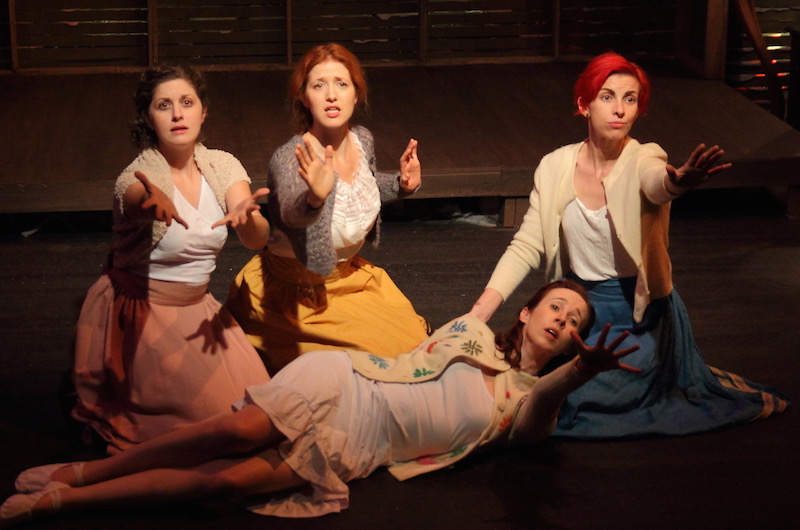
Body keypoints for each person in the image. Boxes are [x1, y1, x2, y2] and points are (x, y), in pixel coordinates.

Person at [1, 280, 640, 525]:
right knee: (231, 433)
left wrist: (579, 375)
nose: (562, 317)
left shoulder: (522, 407)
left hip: (358, 445)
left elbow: (536, 423)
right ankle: (84, 472)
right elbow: (434, 338)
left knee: (222, 483)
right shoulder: (471, 331)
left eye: (575, 318)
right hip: (347, 382)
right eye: (555, 305)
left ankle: (65, 503)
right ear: (527, 311)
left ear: (571, 344)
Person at [468, 52, 790, 439]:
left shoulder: (644, 157)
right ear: (584, 104)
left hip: (635, 319)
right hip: (576, 310)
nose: (619, 109)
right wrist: (478, 312)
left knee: (578, 399)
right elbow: (526, 244)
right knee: (511, 374)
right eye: (607, 97)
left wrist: (679, 182)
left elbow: (658, 183)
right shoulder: (554, 166)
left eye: (630, 99)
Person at [70, 65, 272, 453]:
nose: (178, 114)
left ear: (203, 111)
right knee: (203, 431)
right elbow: (134, 199)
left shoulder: (222, 165)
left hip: (199, 313)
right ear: (148, 117)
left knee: (254, 413)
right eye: (164, 105)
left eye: (186, 102)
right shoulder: (140, 174)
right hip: (144, 316)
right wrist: (149, 204)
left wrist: (250, 217)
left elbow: (254, 238)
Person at [224, 43, 430, 374]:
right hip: (296, 296)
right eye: (319, 85)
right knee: (376, 368)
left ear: (356, 95)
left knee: (416, 350)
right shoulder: (292, 157)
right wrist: (314, 199)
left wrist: (402, 185)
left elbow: (360, 190)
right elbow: (290, 215)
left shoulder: (362, 139)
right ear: (304, 97)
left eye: (342, 84)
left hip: (350, 279)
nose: (331, 95)